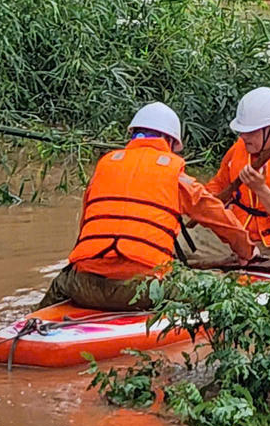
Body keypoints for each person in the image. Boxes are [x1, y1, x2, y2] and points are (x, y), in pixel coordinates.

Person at [39, 101, 255, 310]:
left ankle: (27, 324)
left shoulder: (104, 168)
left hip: (84, 284)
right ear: (170, 142)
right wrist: (246, 250)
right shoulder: (175, 176)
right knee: (218, 289)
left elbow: (87, 224)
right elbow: (217, 215)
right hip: (142, 289)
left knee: (60, 283)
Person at [182, 85, 270, 282]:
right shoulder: (237, 151)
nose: (244, 137)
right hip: (236, 239)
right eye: (242, 132)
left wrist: (261, 189)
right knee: (179, 242)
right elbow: (216, 187)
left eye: (251, 132)